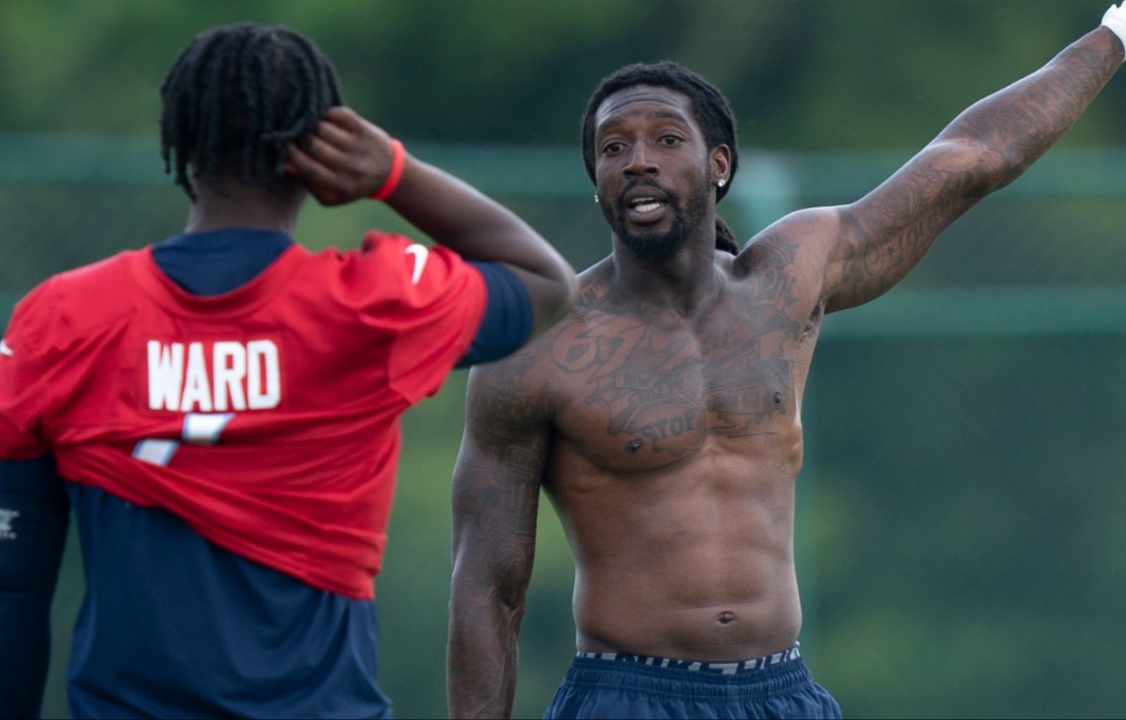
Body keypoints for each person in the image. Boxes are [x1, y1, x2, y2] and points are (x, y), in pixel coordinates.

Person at [447, 6, 1126, 719]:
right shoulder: (539, 345)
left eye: (665, 139)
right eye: (612, 148)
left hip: (783, 693)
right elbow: (488, 587)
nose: (637, 158)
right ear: (596, 182)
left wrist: (1114, 35)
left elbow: (970, 158)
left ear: (719, 165)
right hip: (629, 695)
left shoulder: (785, 284)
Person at [0, 22, 576, 720]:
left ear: (182, 141)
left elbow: (12, 588)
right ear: (315, 150)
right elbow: (545, 281)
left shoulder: (60, 320)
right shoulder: (371, 309)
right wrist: (394, 173)